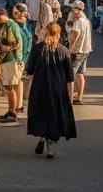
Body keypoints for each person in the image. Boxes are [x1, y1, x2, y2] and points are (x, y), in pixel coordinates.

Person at [26, 21, 77, 158]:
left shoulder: (37, 49)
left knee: (41, 114)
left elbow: (29, 70)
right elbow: (70, 78)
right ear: (59, 34)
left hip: (40, 87)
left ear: (46, 32)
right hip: (58, 88)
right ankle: (50, 147)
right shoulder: (64, 50)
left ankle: (43, 137)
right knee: (54, 116)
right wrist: (70, 97)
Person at [0, 8, 26, 126]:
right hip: (7, 59)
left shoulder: (11, 25)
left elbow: (18, 43)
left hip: (12, 59)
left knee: (10, 86)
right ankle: (10, 110)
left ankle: (12, 113)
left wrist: (7, 49)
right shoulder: (4, 25)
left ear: (3, 15)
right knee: (8, 87)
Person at [66, 0, 91, 104]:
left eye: (74, 8)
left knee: (70, 74)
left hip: (78, 51)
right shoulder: (86, 21)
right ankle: (79, 97)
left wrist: (70, 48)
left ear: (77, 9)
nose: (72, 10)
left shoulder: (78, 22)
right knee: (80, 73)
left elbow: (74, 36)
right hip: (85, 50)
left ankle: (69, 97)